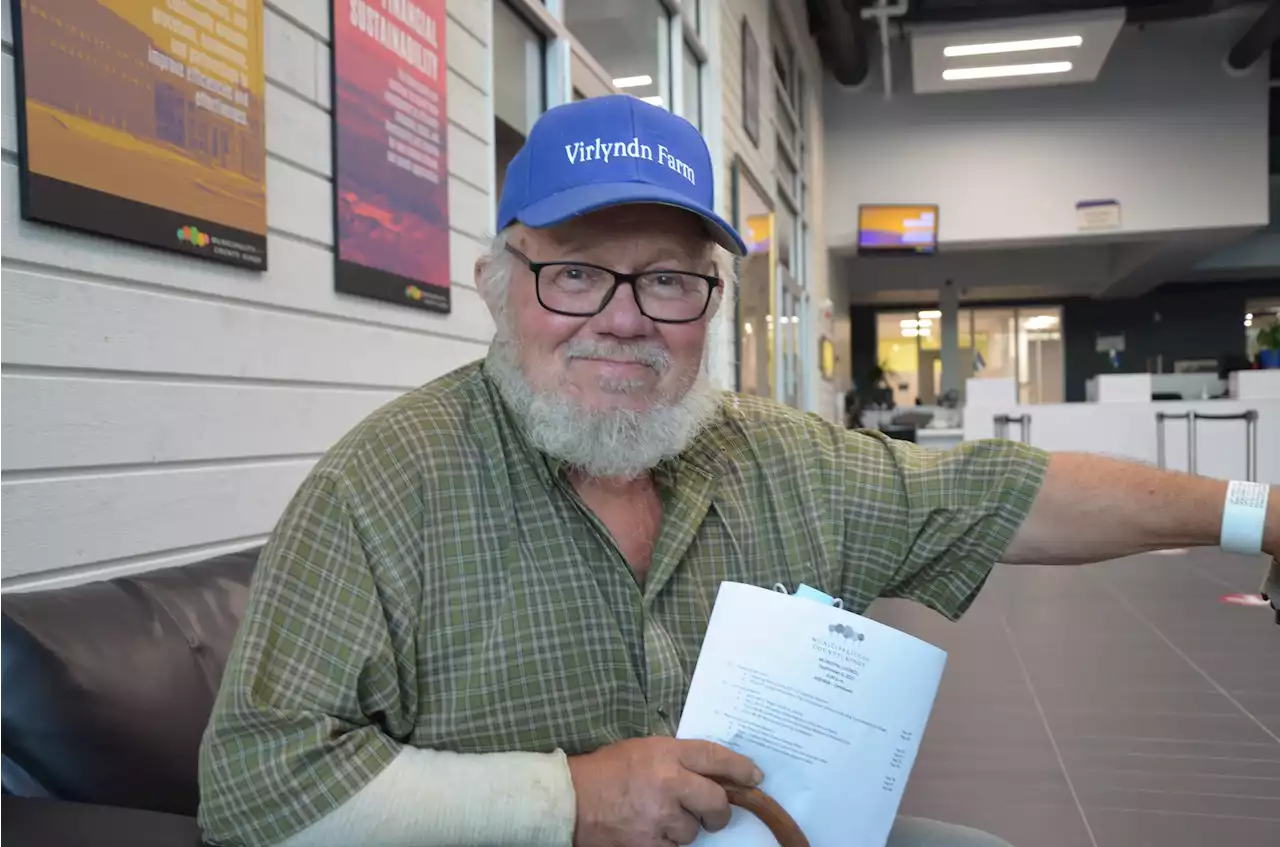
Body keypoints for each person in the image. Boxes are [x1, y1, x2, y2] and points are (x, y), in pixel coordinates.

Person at [196, 94, 1280, 847]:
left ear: (706, 301)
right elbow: (253, 792)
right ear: (496, 282)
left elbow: (1003, 495)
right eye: (575, 272)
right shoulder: (380, 488)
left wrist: (1260, 512)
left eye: (667, 281)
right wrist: (562, 801)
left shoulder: (771, 459)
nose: (622, 322)